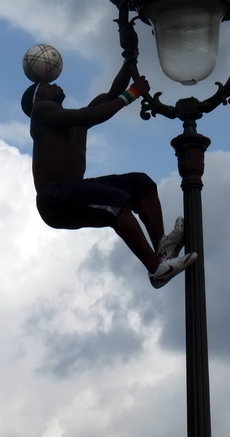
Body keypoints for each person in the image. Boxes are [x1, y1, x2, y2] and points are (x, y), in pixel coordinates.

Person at [22, 61, 196, 288]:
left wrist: (130, 59)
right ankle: (156, 269)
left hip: (71, 190)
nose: (54, 84)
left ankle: (162, 248)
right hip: (54, 198)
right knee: (115, 202)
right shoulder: (41, 111)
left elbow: (111, 95)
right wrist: (132, 94)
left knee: (140, 184)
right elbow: (91, 114)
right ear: (38, 97)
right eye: (47, 85)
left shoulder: (72, 120)